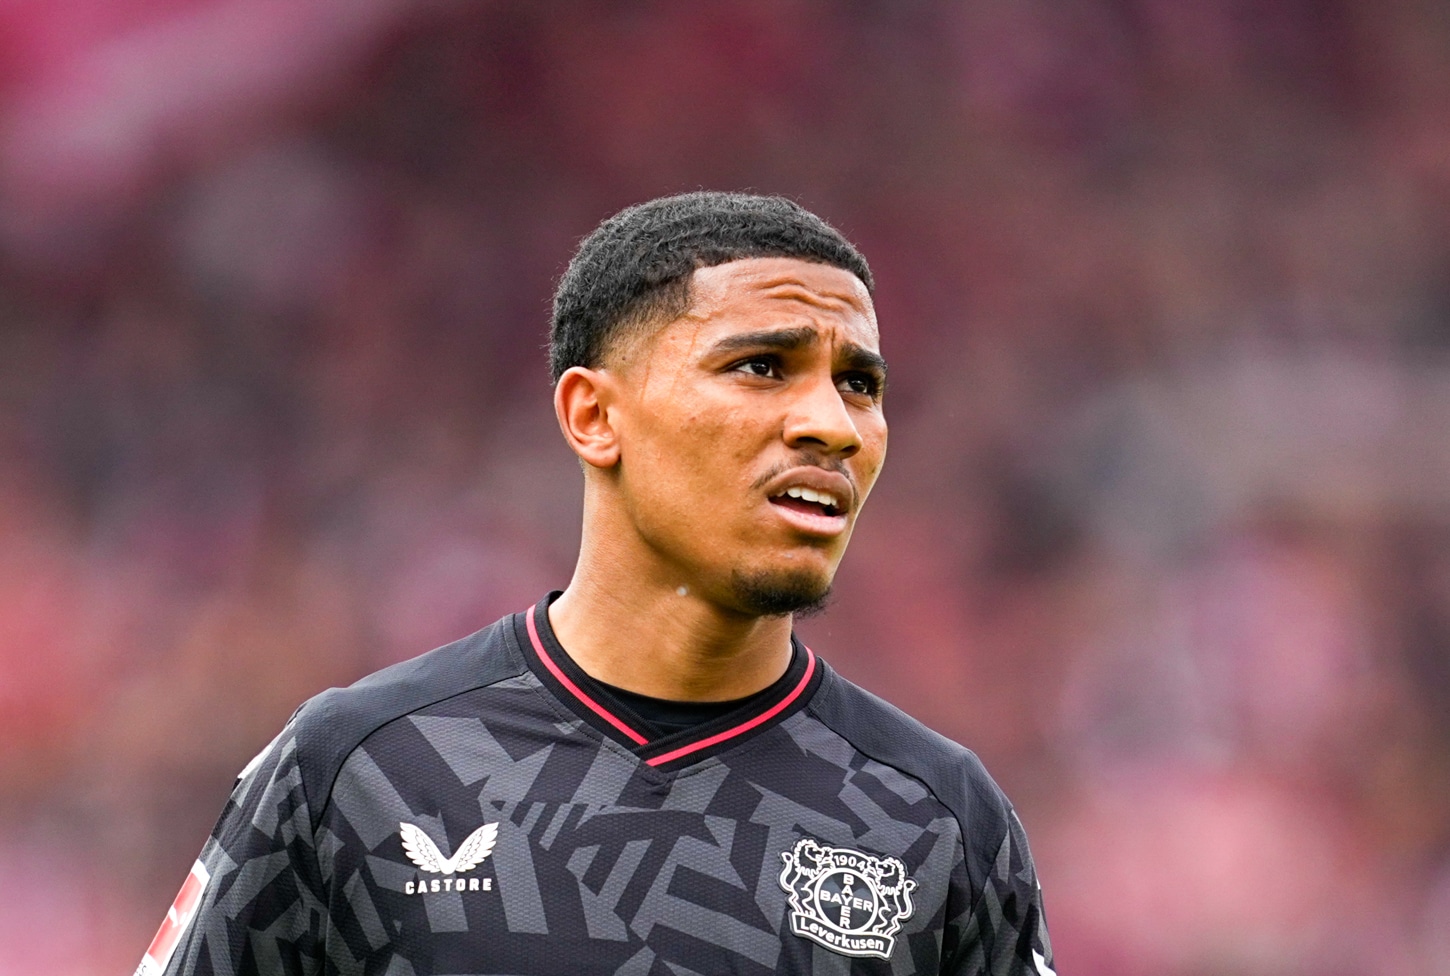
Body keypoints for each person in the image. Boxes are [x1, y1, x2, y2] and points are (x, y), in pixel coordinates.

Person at [137, 191, 1055, 976]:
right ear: (593, 415)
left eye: (858, 384)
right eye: (762, 367)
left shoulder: (937, 817)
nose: (833, 424)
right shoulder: (361, 769)